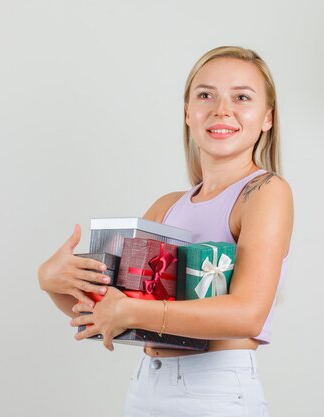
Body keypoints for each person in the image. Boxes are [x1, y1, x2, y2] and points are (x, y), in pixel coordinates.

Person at [38, 46, 293, 417]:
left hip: (214, 391)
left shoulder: (265, 192)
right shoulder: (166, 207)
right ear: (189, 112)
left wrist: (130, 312)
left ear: (267, 117)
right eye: (206, 95)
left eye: (242, 97)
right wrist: (52, 281)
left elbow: (247, 314)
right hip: (147, 387)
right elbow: (105, 312)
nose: (222, 109)